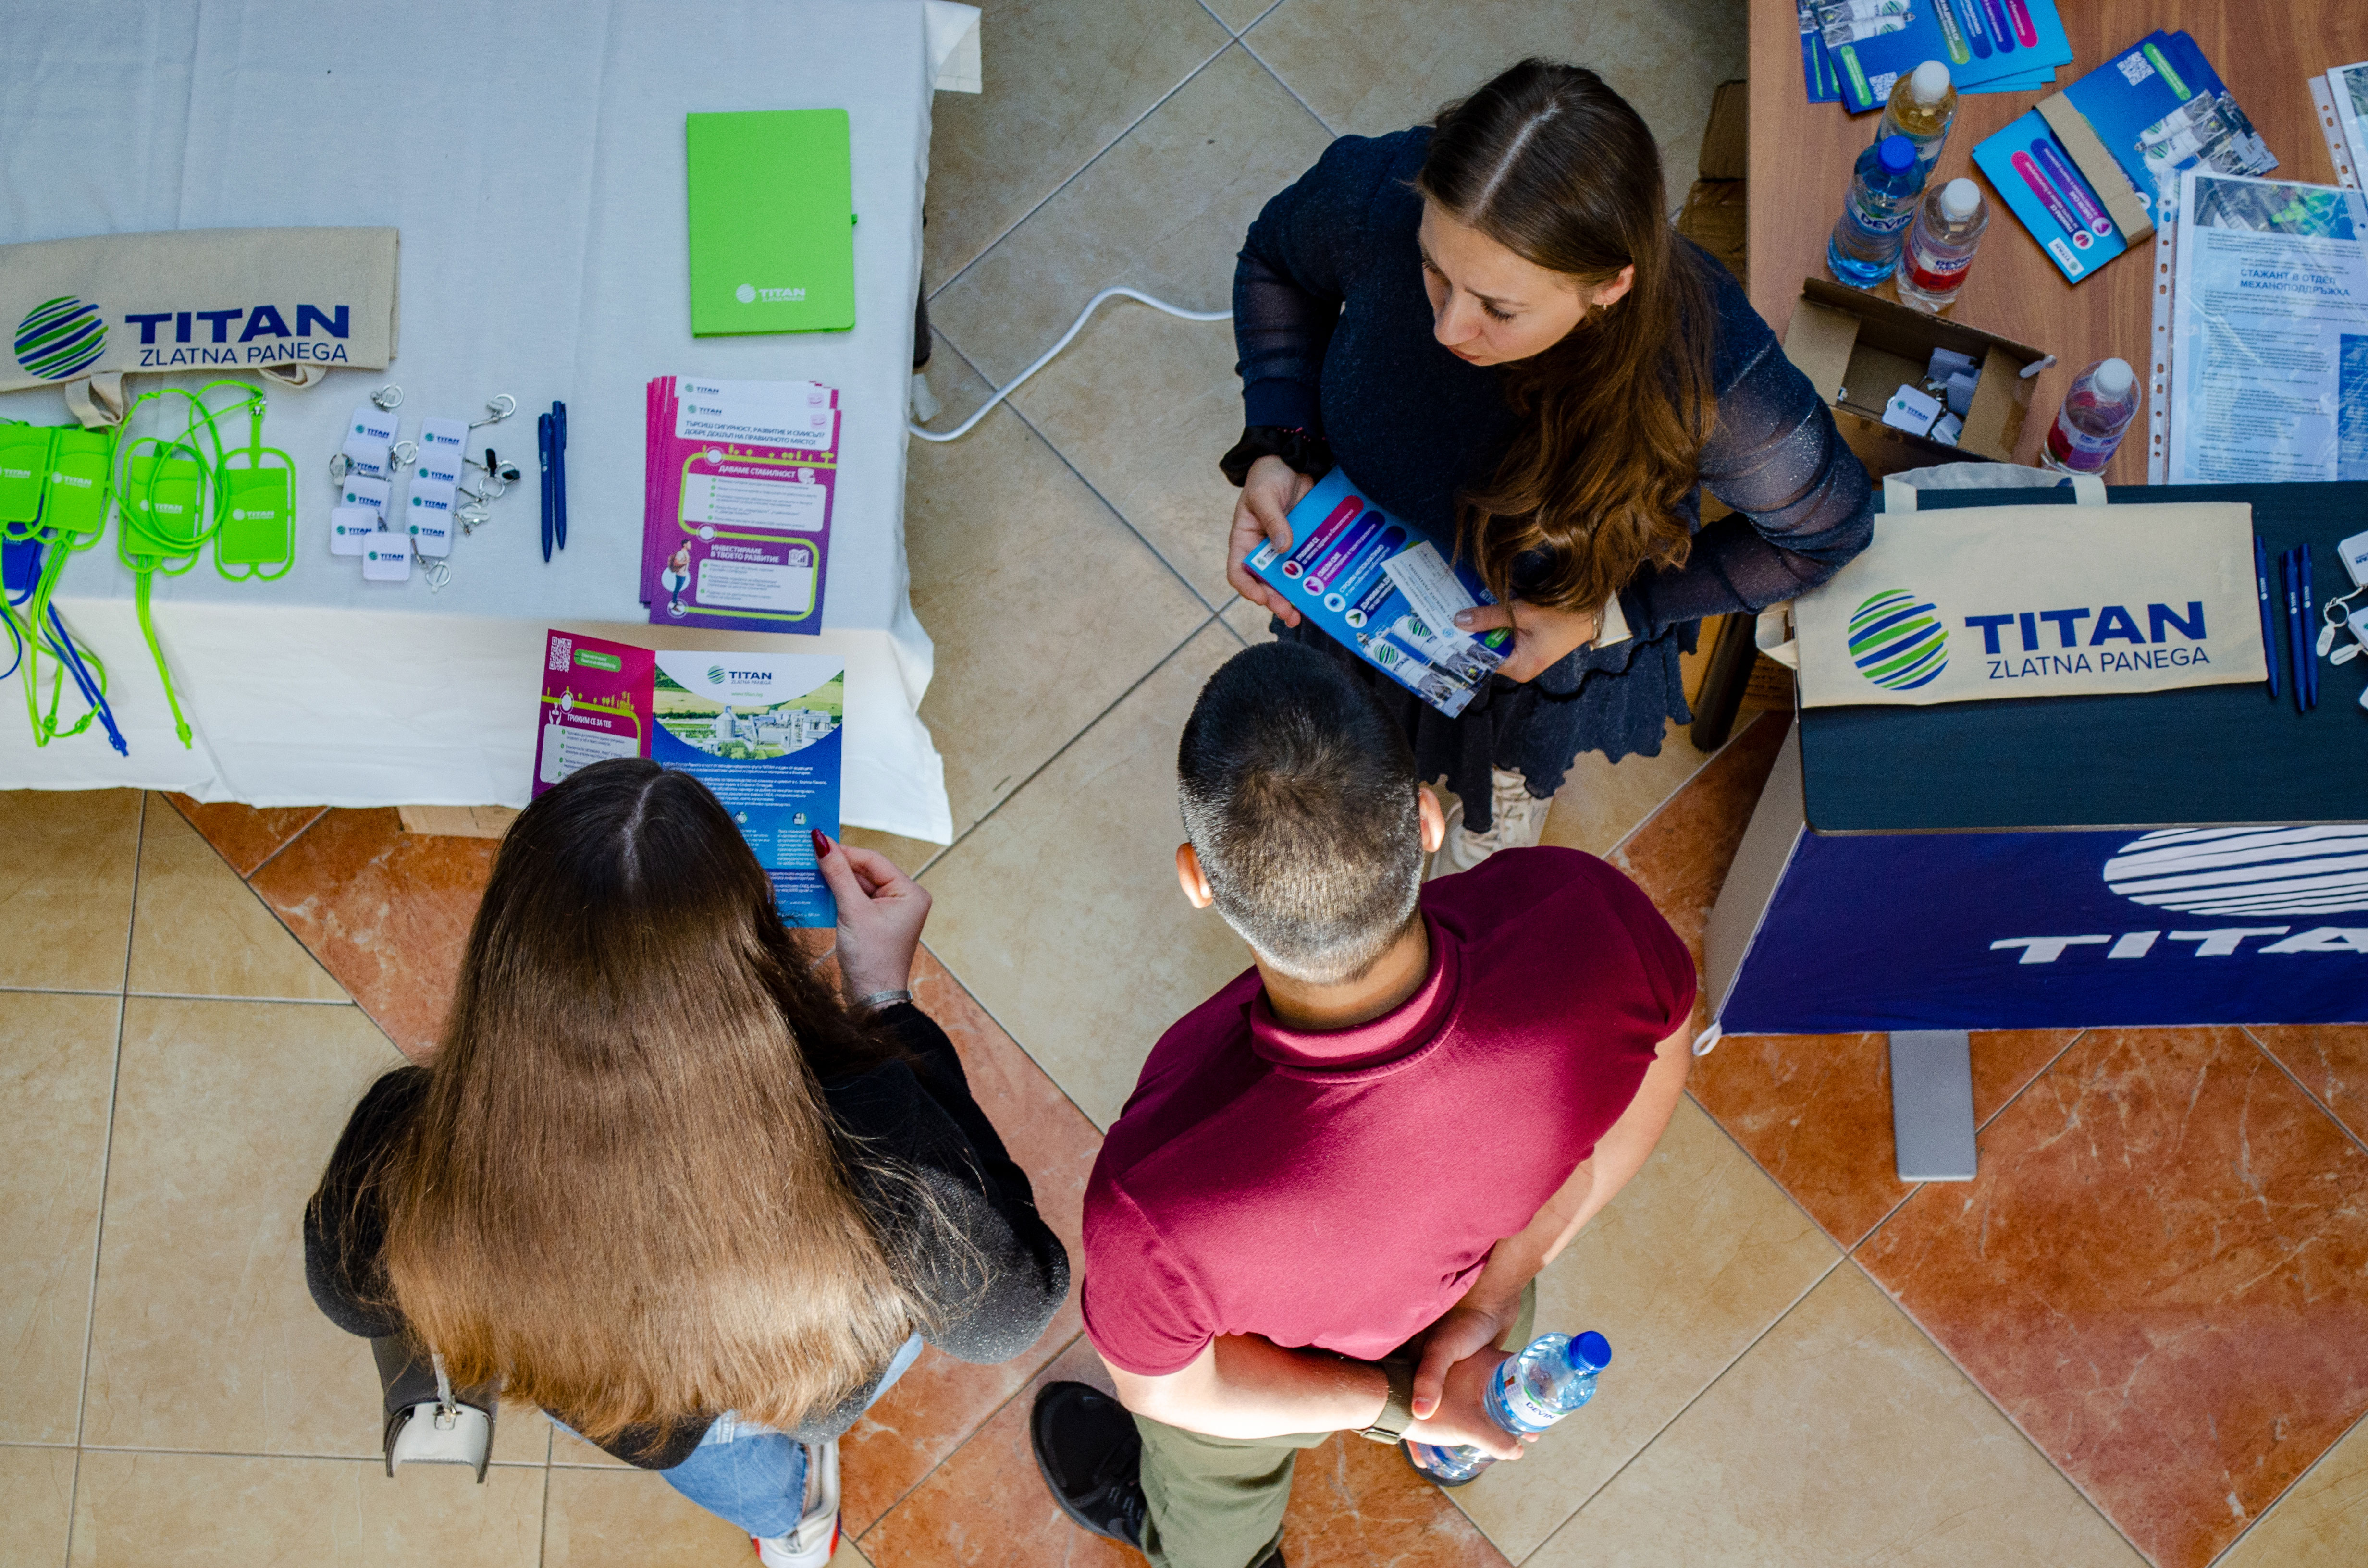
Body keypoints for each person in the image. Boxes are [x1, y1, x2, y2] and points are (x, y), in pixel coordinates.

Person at [305, 759, 1068, 1568]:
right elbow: (1008, 1313)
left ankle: (790, 1528)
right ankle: (792, 1522)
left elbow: (348, 1293)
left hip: (621, 1396)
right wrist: (884, 999)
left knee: (726, 1468)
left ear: (505, 949)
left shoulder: (405, 1135)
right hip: (797, 1371)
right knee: (764, 1436)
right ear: (752, 935)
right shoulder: (872, 1126)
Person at [1031, 643, 1696, 1568]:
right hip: (1474, 1282)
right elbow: (1666, 1050)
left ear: (1198, 882)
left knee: (1213, 1492)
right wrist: (1499, 1288)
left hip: (1270, 1364)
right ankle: (1456, 1438)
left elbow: (1174, 1393)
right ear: (1426, 820)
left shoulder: (1150, 1207)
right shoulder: (1580, 912)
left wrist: (1389, 1407)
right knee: (1480, 1375)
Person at [1222, 58, 1871, 870]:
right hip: (1363, 572)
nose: (1448, 329)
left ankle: (1504, 790)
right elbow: (1275, 261)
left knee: (1511, 738)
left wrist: (1606, 616)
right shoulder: (1381, 190)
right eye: (1434, 269)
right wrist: (1280, 441)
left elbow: (1830, 531)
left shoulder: (1719, 379)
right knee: (1363, 718)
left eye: (1498, 308)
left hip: (1543, 626)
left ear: (1609, 287)